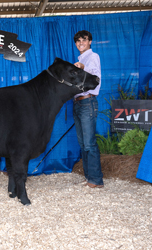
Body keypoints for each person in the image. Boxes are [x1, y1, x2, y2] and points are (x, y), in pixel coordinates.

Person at [73, 30, 104, 188]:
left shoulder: (93, 57)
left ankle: (96, 180)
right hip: (78, 103)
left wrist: (82, 67)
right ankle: (89, 177)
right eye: (78, 41)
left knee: (90, 143)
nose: (80, 43)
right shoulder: (80, 59)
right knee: (83, 143)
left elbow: (95, 77)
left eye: (83, 40)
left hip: (88, 102)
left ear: (90, 41)